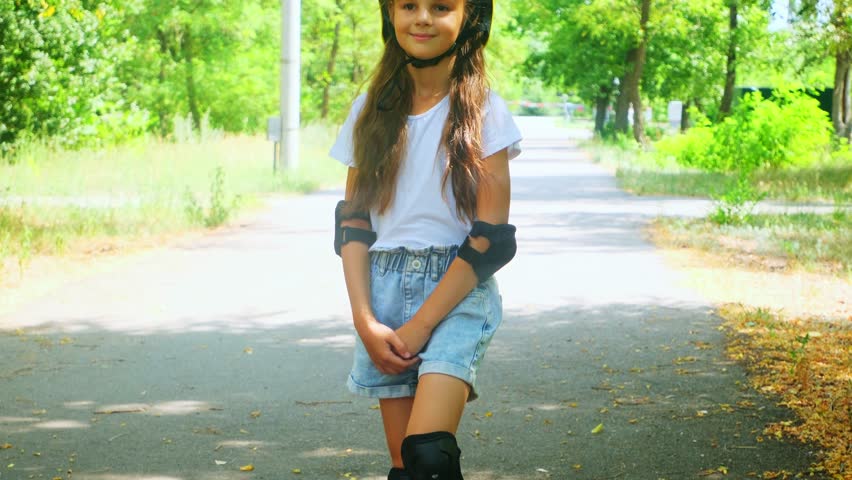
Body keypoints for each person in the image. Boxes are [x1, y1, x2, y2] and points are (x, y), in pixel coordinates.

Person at [330, 1, 522, 478]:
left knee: (428, 456)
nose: (422, 18)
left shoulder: (485, 114)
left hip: (457, 291)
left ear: (470, 18)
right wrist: (364, 320)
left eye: (440, 6)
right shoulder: (369, 112)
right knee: (404, 465)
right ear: (389, 15)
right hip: (384, 291)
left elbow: (490, 239)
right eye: (408, 5)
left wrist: (419, 327)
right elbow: (353, 222)